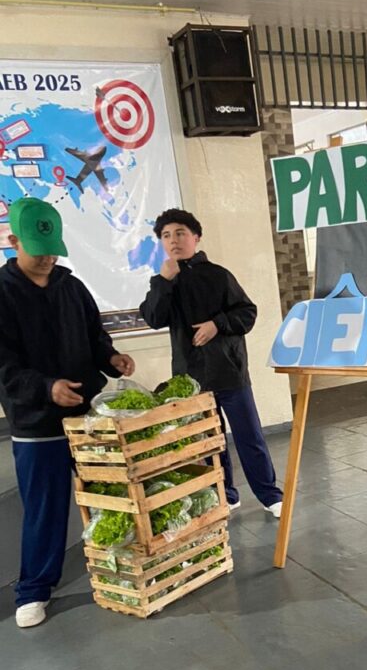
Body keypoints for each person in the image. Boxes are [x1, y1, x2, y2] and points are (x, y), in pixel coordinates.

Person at [0, 197, 135, 628]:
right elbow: (4, 367)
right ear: (13, 241)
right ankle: (34, 589)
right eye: (39, 250)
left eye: (54, 249)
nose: (48, 258)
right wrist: (46, 388)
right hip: (36, 424)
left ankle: (119, 566)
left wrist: (111, 358)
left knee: (108, 496)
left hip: (87, 416)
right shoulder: (2, 295)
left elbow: (95, 338)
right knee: (44, 508)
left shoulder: (71, 286)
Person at [139, 209, 283, 518]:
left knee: (249, 437)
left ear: (195, 237)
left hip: (229, 373)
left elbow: (247, 312)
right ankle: (225, 495)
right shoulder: (164, 281)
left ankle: (270, 495)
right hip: (191, 380)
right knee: (208, 443)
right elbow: (153, 318)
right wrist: (163, 282)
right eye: (166, 235)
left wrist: (217, 324)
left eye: (180, 233)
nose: (173, 240)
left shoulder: (218, 275)